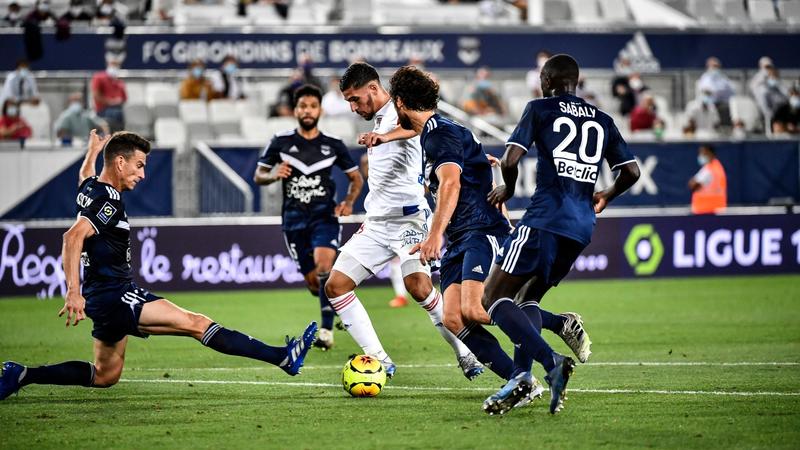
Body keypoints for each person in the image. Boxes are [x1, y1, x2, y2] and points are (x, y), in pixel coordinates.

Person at [0, 130, 317, 401]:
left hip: (103, 298)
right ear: (120, 162)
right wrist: (73, 291)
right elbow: (72, 238)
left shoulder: (92, 189)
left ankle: (22, 374)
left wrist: (92, 153)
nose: (142, 174)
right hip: (115, 294)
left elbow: (83, 176)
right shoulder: (107, 200)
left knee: (106, 374)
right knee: (196, 323)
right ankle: (282, 357)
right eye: (138, 165)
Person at [383, 65, 593, 403]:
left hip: (480, 231)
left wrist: (433, 234)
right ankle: (522, 381)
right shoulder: (438, 132)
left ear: (400, 102)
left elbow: (450, 182)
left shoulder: (439, 133)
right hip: (459, 239)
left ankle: (556, 328)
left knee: (481, 309)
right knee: (453, 318)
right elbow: (476, 175)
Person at [482, 54, 640, 415]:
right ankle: (521, 379)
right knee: (528, 300)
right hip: (581, 226)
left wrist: (507, 189)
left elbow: (509, 160)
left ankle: (551, 361)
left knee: (492, 297)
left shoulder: (540, 108)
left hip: (544, 219)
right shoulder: (603, 118)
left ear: (548, 81)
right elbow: (630, 171)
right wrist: (607, 195)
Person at [325, 62, 481, 380]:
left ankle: (465, 352)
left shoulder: (403, 109)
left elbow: (427, 126)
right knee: (336, 286)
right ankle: (380, 360)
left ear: (373, 88)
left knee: (419, 286)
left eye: (355, 99)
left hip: (410, 219)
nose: (354, 108)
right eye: (348, 102)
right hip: (378, 222)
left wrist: (384, 137)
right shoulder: (382, 120)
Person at [253, 84, 363, 351]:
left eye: (312, 106)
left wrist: (348, 202)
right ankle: (334, 303)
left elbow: (356, 178)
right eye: (303, 106)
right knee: (315, 284)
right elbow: (259, 176)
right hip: (293, 220)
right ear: (295, 110)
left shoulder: (333, 145)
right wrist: (274, 174)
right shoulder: (280, 142)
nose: (307, 111)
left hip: (324, 216)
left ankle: (326, 331)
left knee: (325, 267)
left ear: (320, 110)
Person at [357, 152, 408, 308]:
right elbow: (365, 164)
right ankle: (402, 295)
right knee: (397, 260)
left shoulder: (404, 166)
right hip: (386, 216)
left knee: (408, 259)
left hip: (408, 216)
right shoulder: (378, 175)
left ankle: (409, 295)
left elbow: (424, 187)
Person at [688, 144, 726, 215]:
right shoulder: (718, 166)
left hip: (705, 211)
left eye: (702, 153)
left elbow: (693, 186)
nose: (700, 155)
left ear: (709, 153)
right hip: (718, 210)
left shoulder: (708, 169)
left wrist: (692, 181)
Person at [91, 60, 127, 132]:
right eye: (113, 64)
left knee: (121, 113)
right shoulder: (99, 77)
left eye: (117, 65)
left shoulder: (119, 81)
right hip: (103, 109)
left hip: (118, 108)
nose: (115, 67)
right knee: (116, 114)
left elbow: (124, 97)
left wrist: (119, 101)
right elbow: (96, 96)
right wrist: (111, 102)